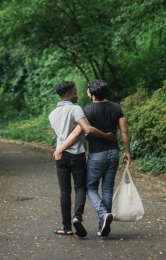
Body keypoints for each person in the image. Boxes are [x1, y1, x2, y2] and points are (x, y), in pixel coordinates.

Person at [49, 80, 114, 238]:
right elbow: (87, 129)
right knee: (80, 188)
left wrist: (61, 148)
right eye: (75, 91)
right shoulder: (75, 109)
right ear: (68, 94)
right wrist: (107, 136)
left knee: (64, 191)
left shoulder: (52, 114)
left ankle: (66, 227)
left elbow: (59, 135)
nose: (77, 94)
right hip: (76, 155)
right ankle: (77, 217)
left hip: (60, 154)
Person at [83, 79, 131, 237]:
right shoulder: (116, 107)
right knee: (107, 189)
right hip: (113, 153)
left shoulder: (89, 110)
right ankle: (104, 227)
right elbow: (124, 132)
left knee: (90, 187)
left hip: (97, 154)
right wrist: (127, 151)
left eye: (88, 90)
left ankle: (103, 214)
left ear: (93, 94)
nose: (87, 92)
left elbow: (86, 131)